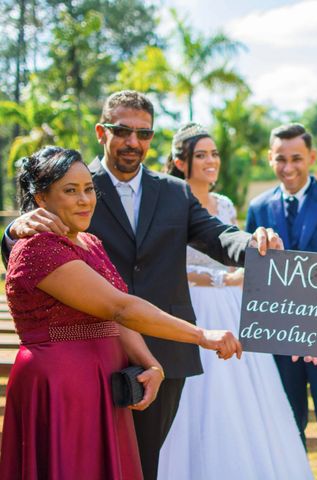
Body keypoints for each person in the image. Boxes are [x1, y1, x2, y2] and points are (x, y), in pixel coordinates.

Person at [1, 90, 281, 480]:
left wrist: (253, 245)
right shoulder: (73, 180)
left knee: (137, 462)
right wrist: (13, 229)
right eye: (123, 130)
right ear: (102, 131)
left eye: (144, 133)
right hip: (69, 374)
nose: (134, 142)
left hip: (161, 351)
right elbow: (33, 257)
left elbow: (216, 236)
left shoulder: (174, 191)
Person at [157, 123, 313, 479]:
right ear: (181, 162)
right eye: (201, 155)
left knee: (249, 401)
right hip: (192, 307)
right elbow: (167, 268)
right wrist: (221, 278)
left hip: (233, 306)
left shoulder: (224, 204)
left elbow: (232, 248)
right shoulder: (169, 204)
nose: (211, 161)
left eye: (214, 153)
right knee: (198, 399)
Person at [245, 123, 317, 480]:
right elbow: (255, 277)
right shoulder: (258, 207)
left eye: (296, 158)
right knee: (285, 430)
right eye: (280, 158)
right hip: (278, 343)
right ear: (270, 158)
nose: (288, 166)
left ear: (311, 157)